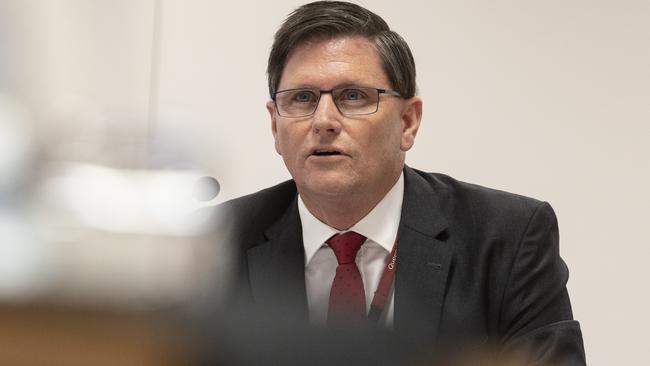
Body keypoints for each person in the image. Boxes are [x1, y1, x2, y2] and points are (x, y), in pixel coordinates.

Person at [201, 1, 586, 365]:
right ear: (274, 125)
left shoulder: (506, 238)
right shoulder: (213, 246)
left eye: (353, 96)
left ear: (408, 122)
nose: (323, 121)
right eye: (302, 98)